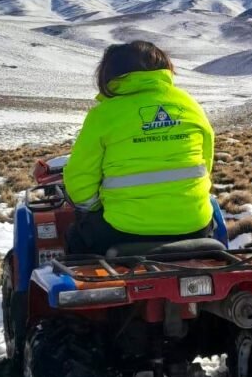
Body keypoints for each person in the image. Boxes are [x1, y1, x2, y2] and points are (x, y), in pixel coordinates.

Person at [63, 40, 215, 254]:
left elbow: (80, 183)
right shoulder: (190, 104)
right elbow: (205, 164)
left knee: (75, 236)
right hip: (195, 228)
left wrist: (96, 208)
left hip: (124, 231)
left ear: (110, 74)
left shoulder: (103, 115)